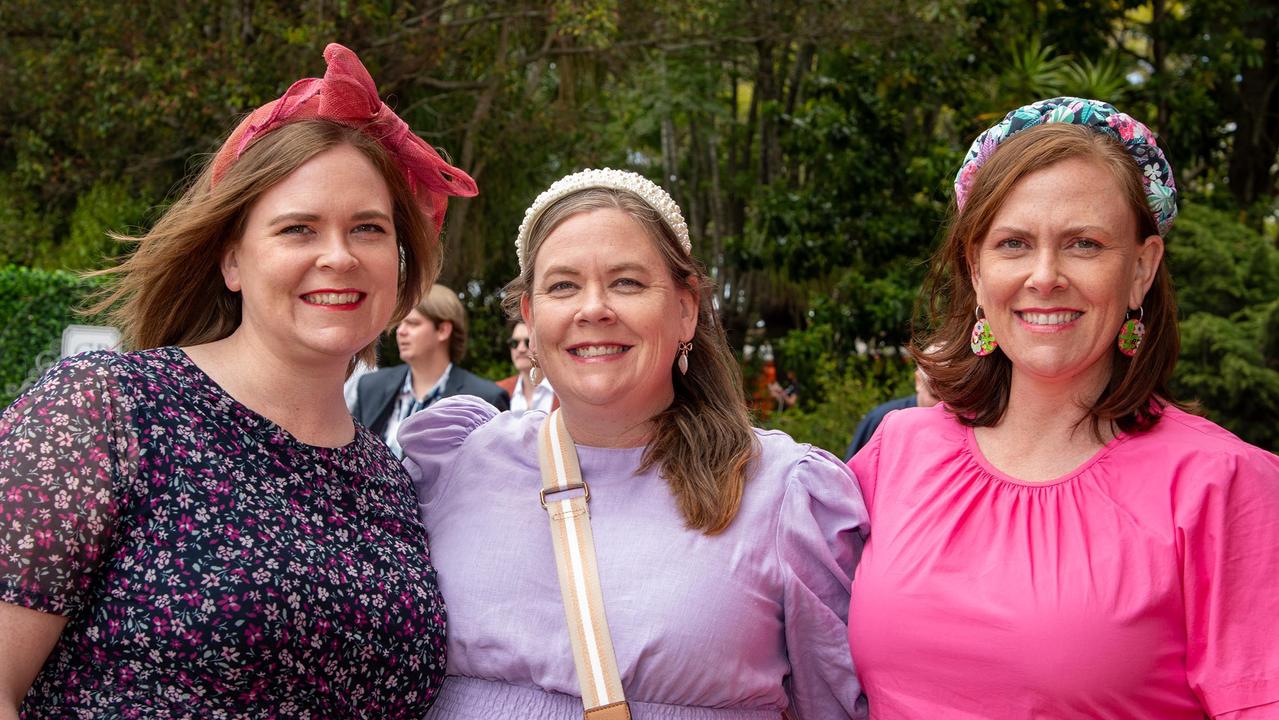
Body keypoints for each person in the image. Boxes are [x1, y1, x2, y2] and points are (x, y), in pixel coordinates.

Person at [0, 44, 478, 719]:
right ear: (231, 259)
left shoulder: (387, 479)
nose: (338, 256)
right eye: (298, 229)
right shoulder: (109, 410)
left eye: (367, 229)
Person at [848, 97, 1279, 718]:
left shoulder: (1224, 485)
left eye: (1084, 244)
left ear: (1141, 270)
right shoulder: (897, 452)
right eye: (1014, 243)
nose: (1044, 276)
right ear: (975, 270)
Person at [400, 168, 869, 718]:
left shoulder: (781, 492)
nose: (593, 308)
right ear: (530, 316)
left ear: (686, 309)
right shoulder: (457, 460)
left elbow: (835, 705)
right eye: (563, 286)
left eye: (626, 282)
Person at [351, 283, 509, 457]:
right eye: (400, 323)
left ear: (443, 330)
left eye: (412, 323)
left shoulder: (485, 398)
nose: (400, 331)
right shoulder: (371, 386)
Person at [842, 359, 939, 461]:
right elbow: (850, 472)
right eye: (935, 396)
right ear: (918, 381)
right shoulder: (881, 420)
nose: (944, 405)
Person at [497, 320, 558, 413]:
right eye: (514, 343)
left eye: (528, 342)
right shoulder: (498, 390)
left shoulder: (568, 391)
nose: (520, 349)